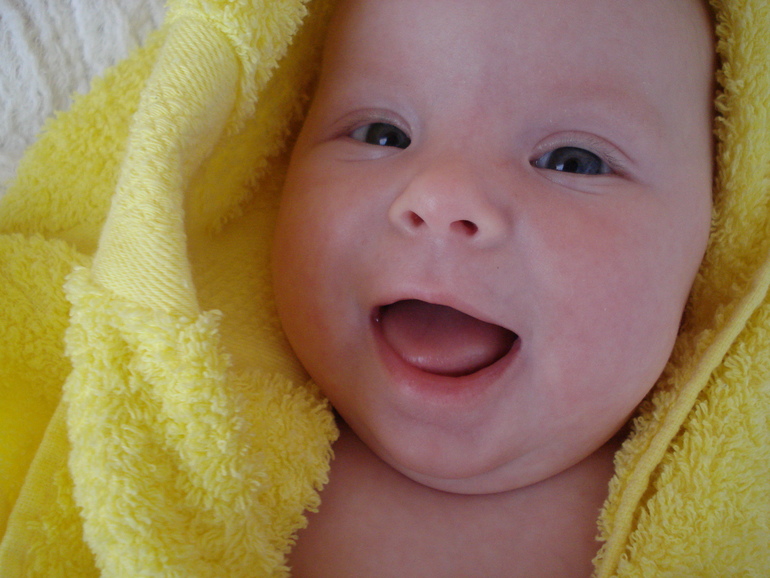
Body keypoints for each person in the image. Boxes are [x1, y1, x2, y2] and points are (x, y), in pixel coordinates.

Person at [0, 0, 767, 576]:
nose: (441, 195)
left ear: (713, 234)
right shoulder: (191, 463)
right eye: (382, 134)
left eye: (573, 161)